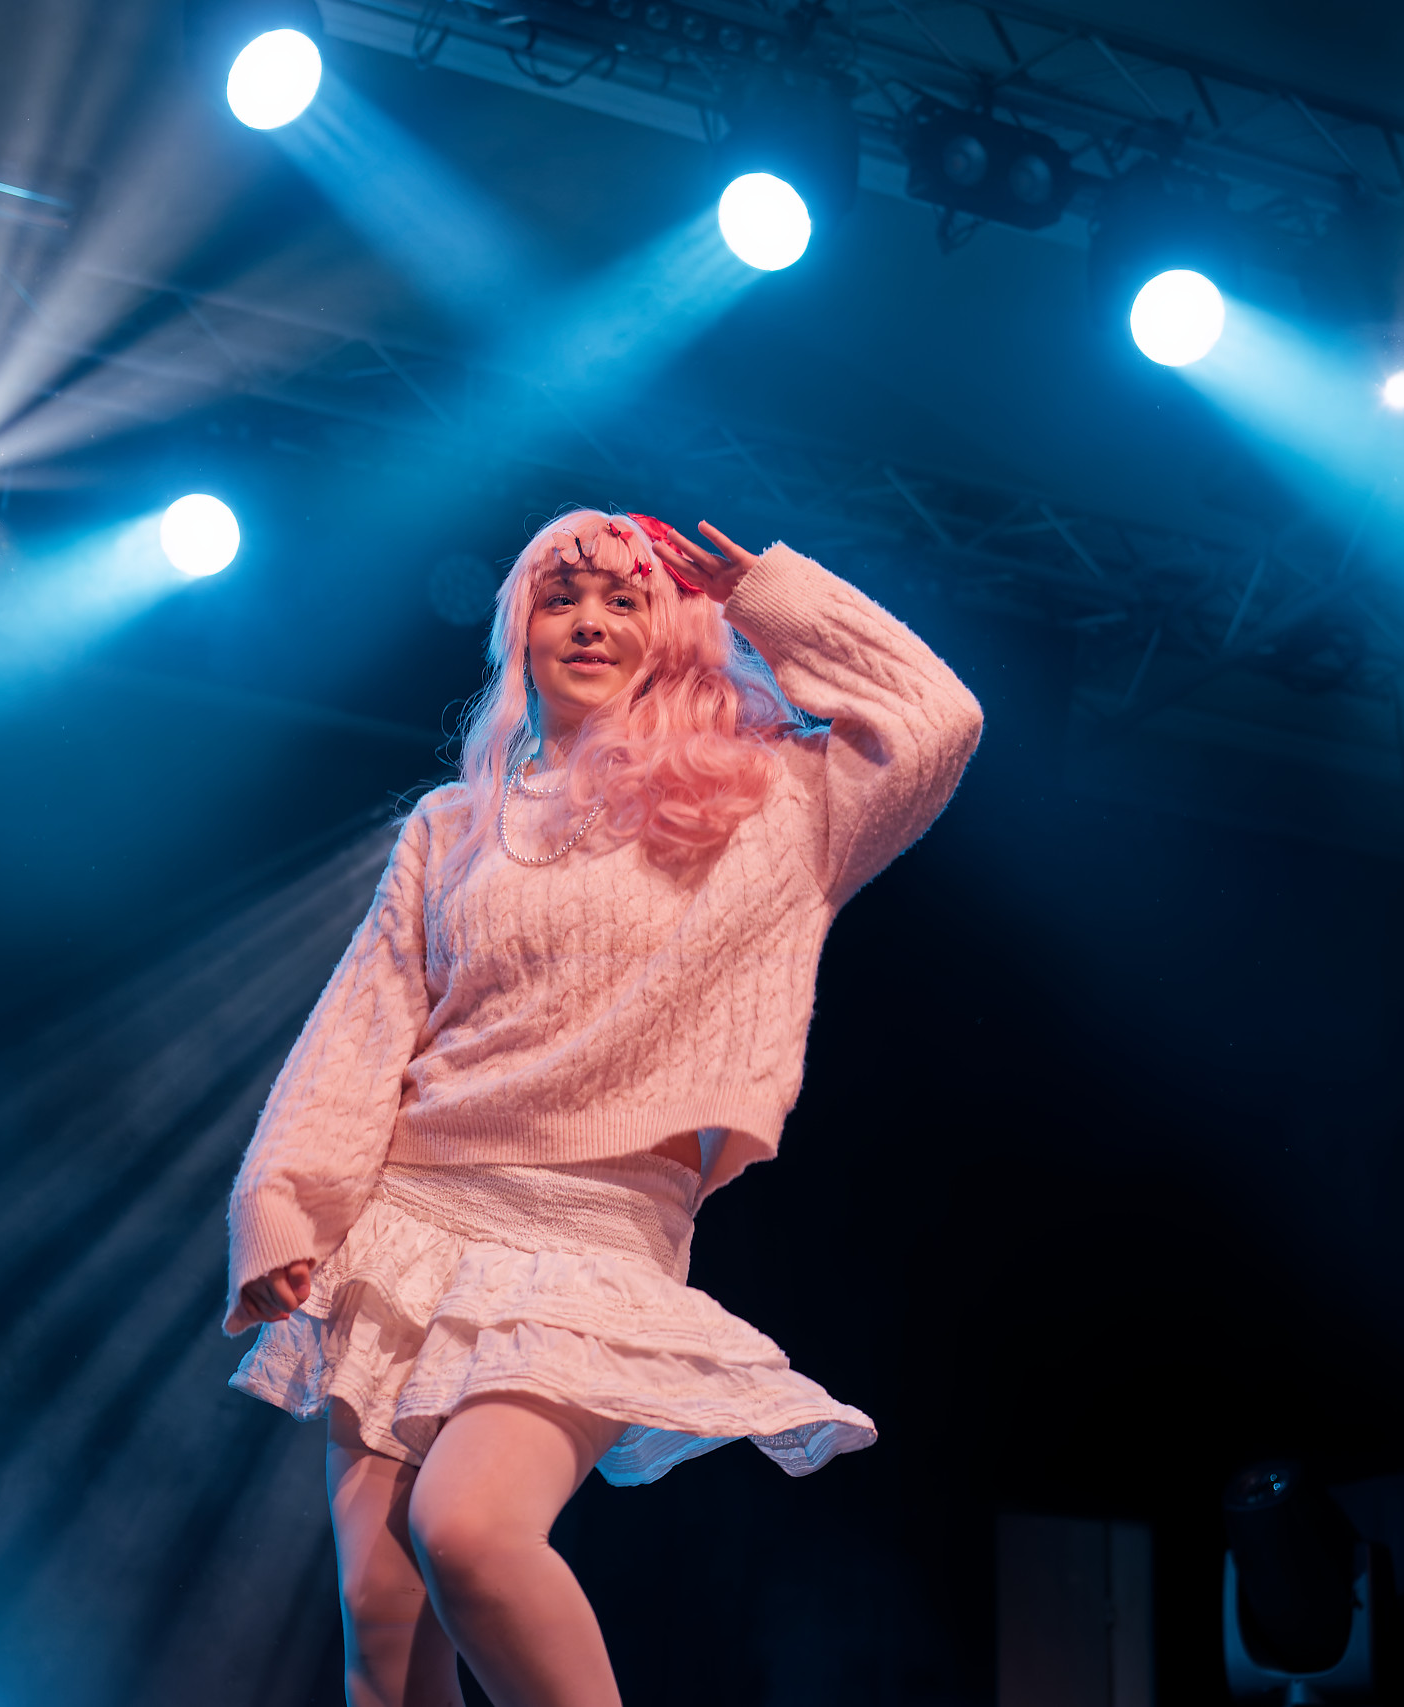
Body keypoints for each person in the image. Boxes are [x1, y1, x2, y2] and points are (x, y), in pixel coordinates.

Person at [223, 509, 983, 1707]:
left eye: (623, 599)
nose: (587, 621)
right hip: (410, 1220)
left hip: (589, 1233)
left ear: (674, 629)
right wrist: (283, 1207)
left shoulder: (768, 799)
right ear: (517, 629)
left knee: (470, 1532)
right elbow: (362, 1032)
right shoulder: (451, 826)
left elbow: (938, 719)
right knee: (381, 1612)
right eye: (559, 596)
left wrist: (769, 598)